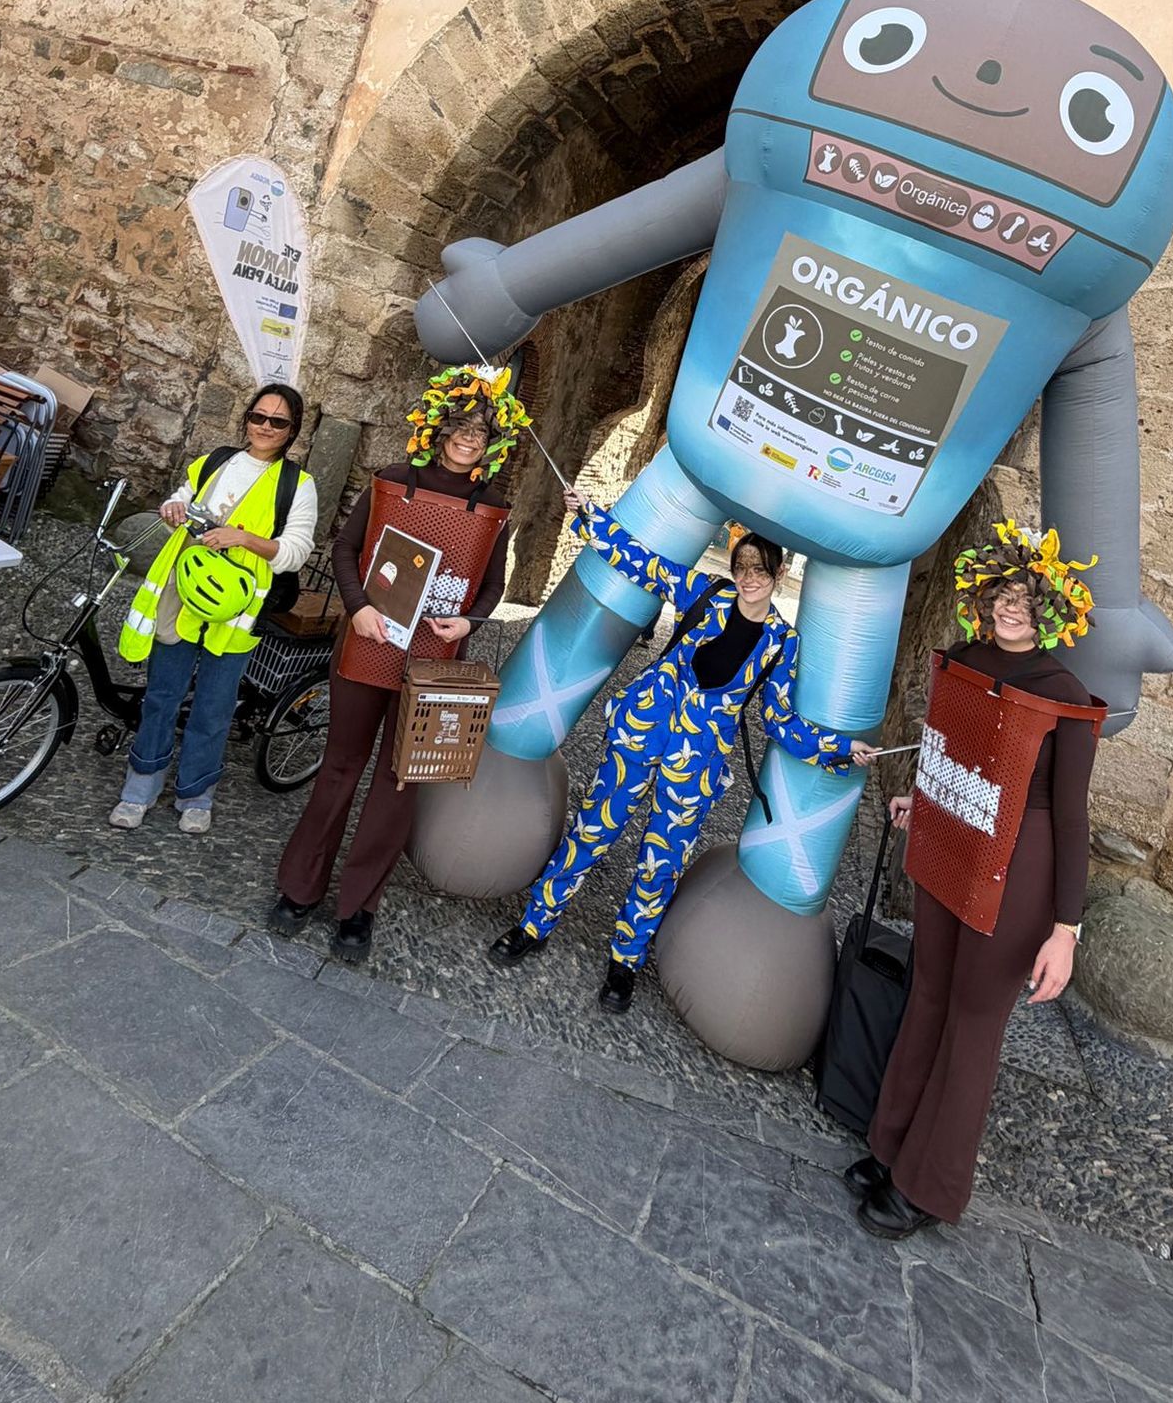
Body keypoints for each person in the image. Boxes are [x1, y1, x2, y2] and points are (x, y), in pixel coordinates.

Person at [490, 493, 875, 1015]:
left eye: (761, 571)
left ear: (779, 576)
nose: (750, 578)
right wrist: (590, 515)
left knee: (662, 860)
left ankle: (625, 960)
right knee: (593, 829)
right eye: (743, 567)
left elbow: (779, 720)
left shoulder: (782, 643)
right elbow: (641, 562)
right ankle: (535, 923)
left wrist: (837, 750)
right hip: (641, 731)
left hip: (697, 761)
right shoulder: (704, 592)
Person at [847, 522, 1099, 1239]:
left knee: (973, 1022)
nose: (1009, 607)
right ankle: (892, 1148)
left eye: (1025, 597)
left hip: (1018, 872)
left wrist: (1065, 929)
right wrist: (920, 799)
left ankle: (931, 1183)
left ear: (1051, 608)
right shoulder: (966, 658)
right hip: (954, 849)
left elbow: (1073, 817)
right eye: (1002, 593)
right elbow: (954, 750)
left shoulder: (1065, 695)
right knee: (928, 993)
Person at [270, 363, 530, 964]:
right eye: (462, 426)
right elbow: (346, 547)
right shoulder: (392, 481)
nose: (469, 439)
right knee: (339, 768)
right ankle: (301, 886)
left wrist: (469, 621)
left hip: (435, 656)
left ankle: (358, 906)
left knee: (399, 779)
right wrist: (357, 607)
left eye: (481, 433)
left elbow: (492, 584)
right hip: (370, 639)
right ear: (440, 429)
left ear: (493, 446)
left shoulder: (493, 508)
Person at [111, 385, 316, 834]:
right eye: (258, 416)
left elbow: (296, 552)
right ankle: (140, 786)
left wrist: (243, 538)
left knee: (214, 705)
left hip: (238, 608)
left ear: (291, 431)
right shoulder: (215, 461)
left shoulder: (297, 486)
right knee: (163, 693)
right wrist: (173, 509)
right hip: (185, 590)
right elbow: (181, 496)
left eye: (277, 422)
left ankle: (196, 793)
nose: (265, 426)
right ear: (246, 419)